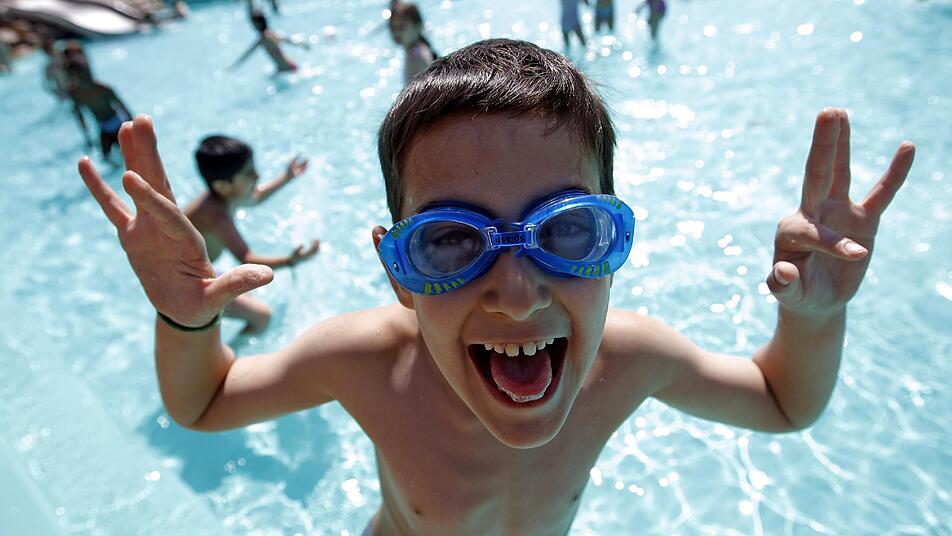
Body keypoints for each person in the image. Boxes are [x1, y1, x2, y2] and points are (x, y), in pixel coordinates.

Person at [77, 39, 915, 534]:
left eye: (568, 230)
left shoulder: (629, 361)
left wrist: (817, 319)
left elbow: (781, 403)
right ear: (396, 271)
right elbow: (204, 405)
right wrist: (185, 322)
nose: (517, 293)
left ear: (615, 242)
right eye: (450, 242)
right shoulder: (366, 363)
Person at [182, 135, 319, 334]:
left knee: (248, 296)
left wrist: (286, 178)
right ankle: (233, 353)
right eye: (248, 173)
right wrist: (290, 261)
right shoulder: (215, 215)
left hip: (201, 272)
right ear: (223, 186)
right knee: (262, 317)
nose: (257, 175)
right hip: (186, 285)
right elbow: (246, 258)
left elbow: (256, 197)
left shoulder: (225, 196)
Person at [65, 56, 133, 160]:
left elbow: (123, 107)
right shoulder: (76, 95)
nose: (83, 77)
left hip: (118, 125)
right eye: (78, 76)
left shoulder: (103, 88)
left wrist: (133, 126)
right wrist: (87, 137)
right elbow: (79, 116)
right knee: (106, 158)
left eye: (84, 74)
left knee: (128, 157)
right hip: (104, 128)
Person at [229, 9, 308, 73]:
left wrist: (235, 66)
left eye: (254, 24)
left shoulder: (264, 39)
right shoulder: (270, 34)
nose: (253, 26)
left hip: (288, 68)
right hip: (286, 68)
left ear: (258, 24)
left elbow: (248, 53)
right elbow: (287, 40)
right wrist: (301, 44)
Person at [387, 1, 436, 85]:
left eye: (402, 26)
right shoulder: (420, 47)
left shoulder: (416, 58)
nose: (396, 32)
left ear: (417, 27)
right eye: (393, 27)